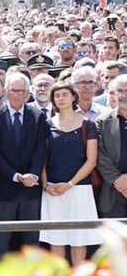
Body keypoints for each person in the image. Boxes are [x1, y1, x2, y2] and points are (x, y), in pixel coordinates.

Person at [0, 71, 49, 260]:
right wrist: (16, 176)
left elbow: (41, 149)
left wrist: (33, 175)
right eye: (14, 90)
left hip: (31, 189)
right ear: (6, 91)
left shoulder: (38, 116)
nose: (17, 95)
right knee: (1, 241)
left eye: (22, 91)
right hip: (4, 188)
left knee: (31, 240)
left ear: (28, 93)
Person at [39, 82, 101, 263]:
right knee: (56, 240)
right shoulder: (46, 124)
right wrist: (46, 184)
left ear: (73, 97)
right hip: (52, 190)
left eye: (65, 94)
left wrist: (70, 184)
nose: (61, 98)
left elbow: (91, 161)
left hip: (79, 189)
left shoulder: (88, 125)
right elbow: (41, 159)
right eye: (57, 96)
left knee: (79, 240)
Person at [95, 73, 127, 218]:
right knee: (115, 240)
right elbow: (99, 154)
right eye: (120, 91)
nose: (123, 95)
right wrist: (117, 180)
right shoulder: (103, 120)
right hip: (113, 191)